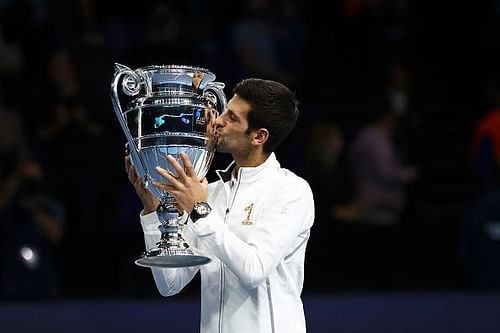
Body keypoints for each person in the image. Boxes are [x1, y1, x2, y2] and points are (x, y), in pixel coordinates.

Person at [125, 78, 315, 332]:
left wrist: (199, 211)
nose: (218, 121)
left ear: (259, 136)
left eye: (233, 118)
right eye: (225, 111)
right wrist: (152, 212)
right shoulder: (209, 194)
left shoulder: (291, 191)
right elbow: (170, 284)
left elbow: (254, 269)